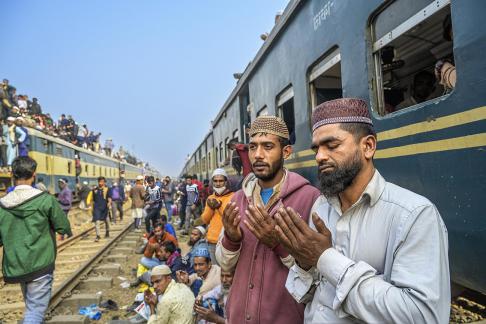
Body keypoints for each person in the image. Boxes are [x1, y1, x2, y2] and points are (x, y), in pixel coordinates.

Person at [275, 98, 450, 323]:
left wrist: (325, 258)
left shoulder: (414, 215)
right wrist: (305, 263)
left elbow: (422, 316)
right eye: (316, 148)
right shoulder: (321, 207)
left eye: (332, 145)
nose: (319, 156)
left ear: (368, 146)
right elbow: (310, 297)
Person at [216, 115, 321, 324]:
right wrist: (232, 238)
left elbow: (317, 273)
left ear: (286, 152)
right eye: (253, 147)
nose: (258, 155)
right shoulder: (238, 199)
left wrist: (278, 244)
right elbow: (224, 264)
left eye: (267, 146)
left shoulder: (310, 199)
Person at [0, 156, 72, 323]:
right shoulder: (45, 200)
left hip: (17, 265)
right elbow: (64, 227)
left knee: (31, 306)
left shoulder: (2, 205)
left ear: (12, 174)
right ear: (34, 174)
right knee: (35, 310)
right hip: (40, 263)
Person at [201, 168, 233, 264]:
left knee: (227, 271)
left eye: (221, 181)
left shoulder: (233, 196)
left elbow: (231, 218)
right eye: (215, 181)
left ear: (226, 182)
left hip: (227, 241)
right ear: (212, 182)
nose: (218, 183)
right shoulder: (211, 198)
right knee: (216, 271)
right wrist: (211, 208)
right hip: (212, 240)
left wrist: (219, 207)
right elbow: (205, 220)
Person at [86, 176, 112, 242]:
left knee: (106, 220)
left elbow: (109, 197)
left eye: (102, 182)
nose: (101, 183)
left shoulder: (107, 189)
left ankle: (107, 231)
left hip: (104, 207)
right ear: (98, 182)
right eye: (100, 181)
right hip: (97, 207)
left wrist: (109, 202)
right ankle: (98, 235)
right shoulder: (94, 190)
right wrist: (89, 204)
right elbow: (92, 198)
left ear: (104, 182)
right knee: (96, 221)